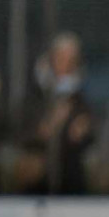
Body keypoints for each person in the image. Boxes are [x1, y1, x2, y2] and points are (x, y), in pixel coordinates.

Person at [17, 32, 94, 194]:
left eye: (71, 60)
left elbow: (91, 137)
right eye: (61, 58)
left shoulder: (80, 99)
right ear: (52, 58)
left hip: (70, 183)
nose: (66, 65)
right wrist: (45, 129)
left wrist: (83, 132)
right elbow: (20, 133)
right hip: (36, 183)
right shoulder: (35, 96)